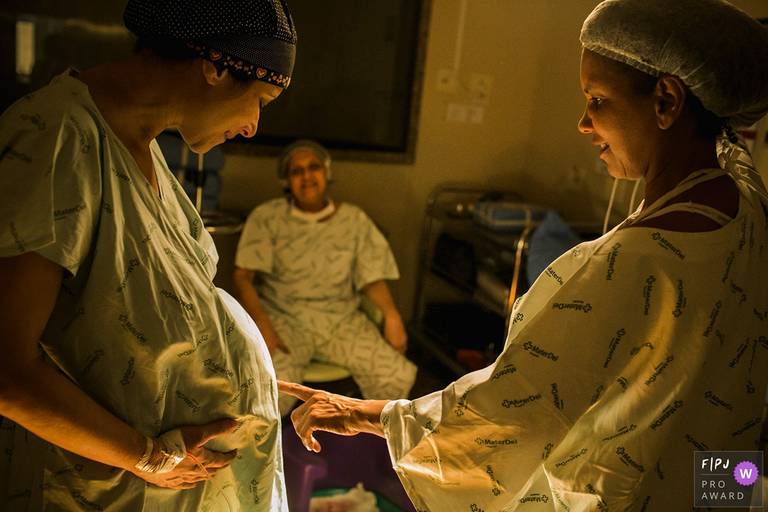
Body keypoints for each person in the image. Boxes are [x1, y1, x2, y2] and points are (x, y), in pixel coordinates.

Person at [279, 0, 768, 510]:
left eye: (597, 100)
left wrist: (363, 414)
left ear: (666, 101)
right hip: (725, 489)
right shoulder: (749, 207)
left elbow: (507, 414)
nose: (583, 124)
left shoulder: (632, 264)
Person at [0, 0, 297, 509]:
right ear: (216, 65)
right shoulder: (58, 135)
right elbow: (7, 372)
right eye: (261, 100)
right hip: (97, 487)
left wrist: (247, 381)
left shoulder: (141, 143)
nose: (252, 125)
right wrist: (147, 456)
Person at [233, 140, 417, 415]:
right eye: (297, 171)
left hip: (340, 321)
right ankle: (270, 442)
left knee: (394, 375)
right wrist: (261, 324)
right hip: (284, 319)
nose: (307, 176)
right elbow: (242, 276)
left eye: (314, 167)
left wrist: (392, 316)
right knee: (267, 388)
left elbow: (372, 275)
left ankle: (365, 435)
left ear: (326, 172)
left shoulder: (354, 220)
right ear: (286, 180)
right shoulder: (267, 217)